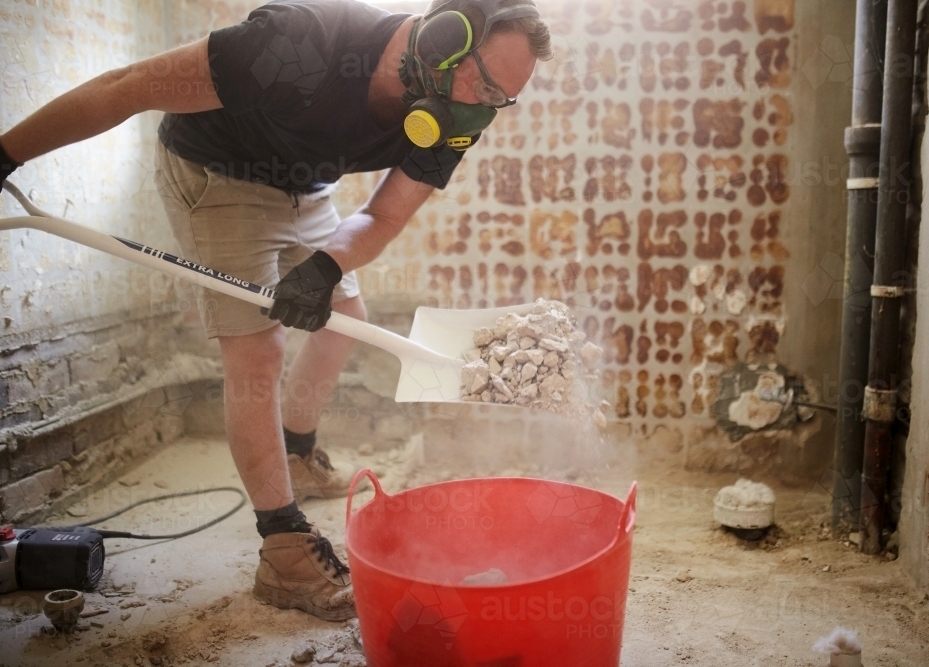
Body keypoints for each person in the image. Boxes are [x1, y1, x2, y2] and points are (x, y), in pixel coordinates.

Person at [0, 0, 551, 621]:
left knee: (347, 319)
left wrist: (325, 267)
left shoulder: (455, 119)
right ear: (447, 36)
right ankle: (283, 548)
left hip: (307, 188)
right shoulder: (295, 45)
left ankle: (295, 449)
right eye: (483, 82)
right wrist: (7, 153)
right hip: (217, 175)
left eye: (501, 99)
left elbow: (384, 215)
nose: (481, 108)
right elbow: (127, 87)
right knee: (258, 348)